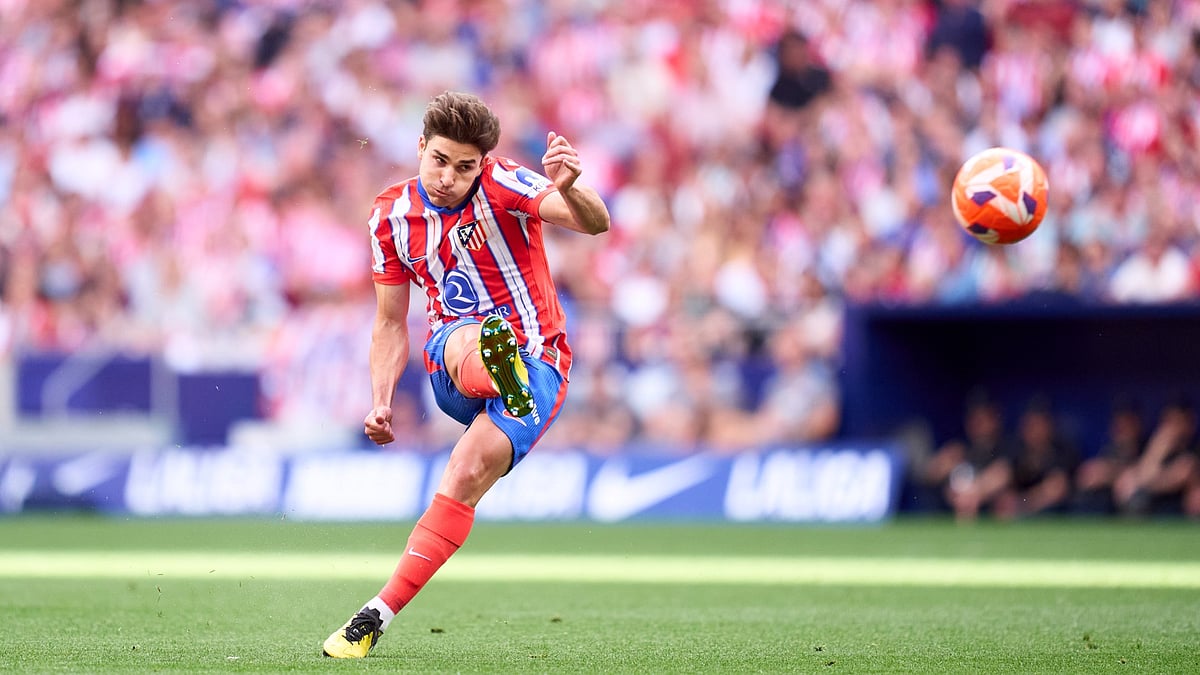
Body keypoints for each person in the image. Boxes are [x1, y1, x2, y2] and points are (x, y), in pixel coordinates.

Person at [321, 91, 610, 659]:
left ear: (483, 163)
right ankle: (494, 361)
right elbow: (388, 323)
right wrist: (380, 400)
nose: (449, 177)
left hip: (541, 362)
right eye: (439, 160)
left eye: (464, 167)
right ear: (420, 148)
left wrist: (573, 184)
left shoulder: (505, 183)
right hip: (454, 361)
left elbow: (593, 224)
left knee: (464, 472)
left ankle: (372, 617)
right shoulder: (390, 216)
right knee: (466, 332)